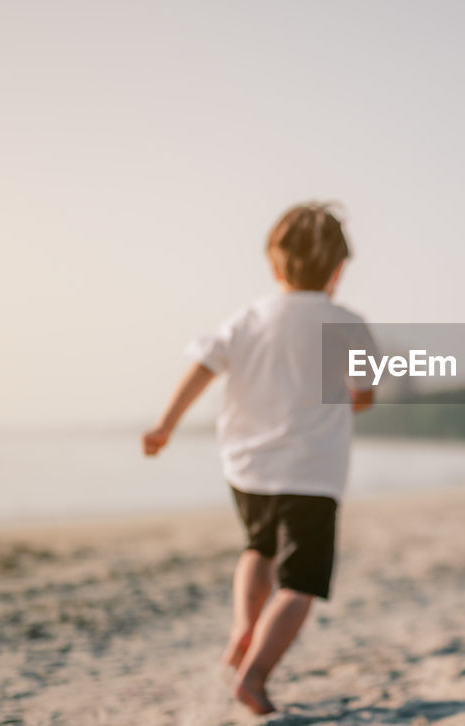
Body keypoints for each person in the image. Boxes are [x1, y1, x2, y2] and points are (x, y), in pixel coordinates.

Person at [141, 202, 376, 715]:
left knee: (257, 549)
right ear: (339, 269)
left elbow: (202, 368)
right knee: (300, 583)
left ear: (273, 266)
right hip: (312, 474)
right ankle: (254, 677)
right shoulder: (348, 324)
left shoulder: (247, 318)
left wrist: (166, 425)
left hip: (248, 469)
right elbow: (363, 394)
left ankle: (245, 630)